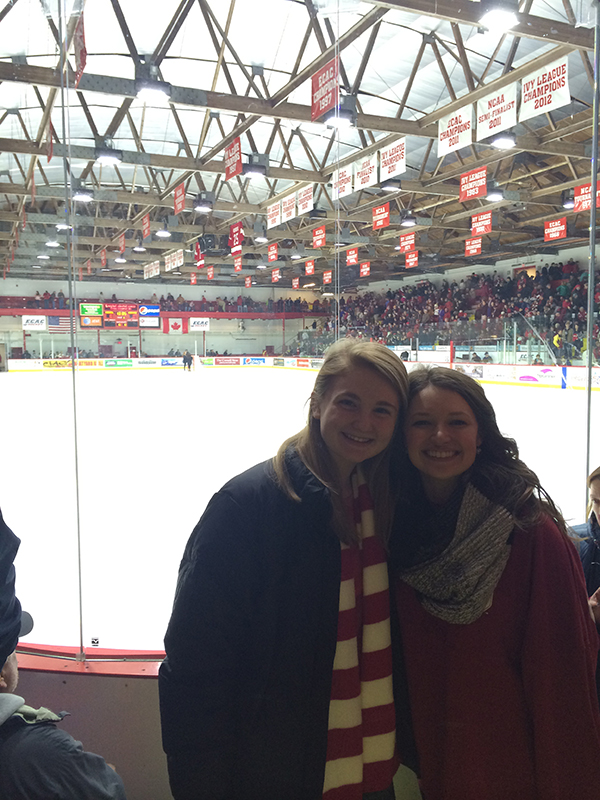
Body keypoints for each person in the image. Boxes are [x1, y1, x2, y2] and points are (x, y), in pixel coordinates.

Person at [159, 340, 413, 800]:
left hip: (373, 769)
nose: (364, 423)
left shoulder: (388, 502)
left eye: (382, 410)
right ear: (316, 405)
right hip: (276, 776)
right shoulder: (248, 506)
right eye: (348, 403)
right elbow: (196, 666)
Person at [390, 366, 600, 800]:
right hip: (421, 759)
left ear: (481, 434)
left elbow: (563, 682)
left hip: (506, 767)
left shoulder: (528, 532)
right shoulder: (391, 529)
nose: (440, 436)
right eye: (422, 422)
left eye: (458, 422)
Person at [0, 646, 127, 799]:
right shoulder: (44, 749)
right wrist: (107, 775)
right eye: (13, 646)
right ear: (1, 676)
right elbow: (110, 792)